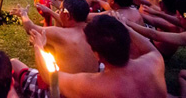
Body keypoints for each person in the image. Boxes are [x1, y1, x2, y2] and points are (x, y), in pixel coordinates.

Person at [30, 15, 167, 98]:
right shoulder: (155, 61)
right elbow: (149, 46)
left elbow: (50, 77)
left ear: (97, 55)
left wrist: (38, 46)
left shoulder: (92, 85)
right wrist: (125, 27)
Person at [11, 0, 99, 94]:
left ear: (67, 15)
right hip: (87, 90)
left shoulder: (60, 34)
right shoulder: (94, 32)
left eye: (60, 9)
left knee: (14, 64)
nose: (58, 12)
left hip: (59, 91)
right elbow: (67, 22)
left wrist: (24, 14)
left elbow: (30, 28)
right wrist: (49, 11)